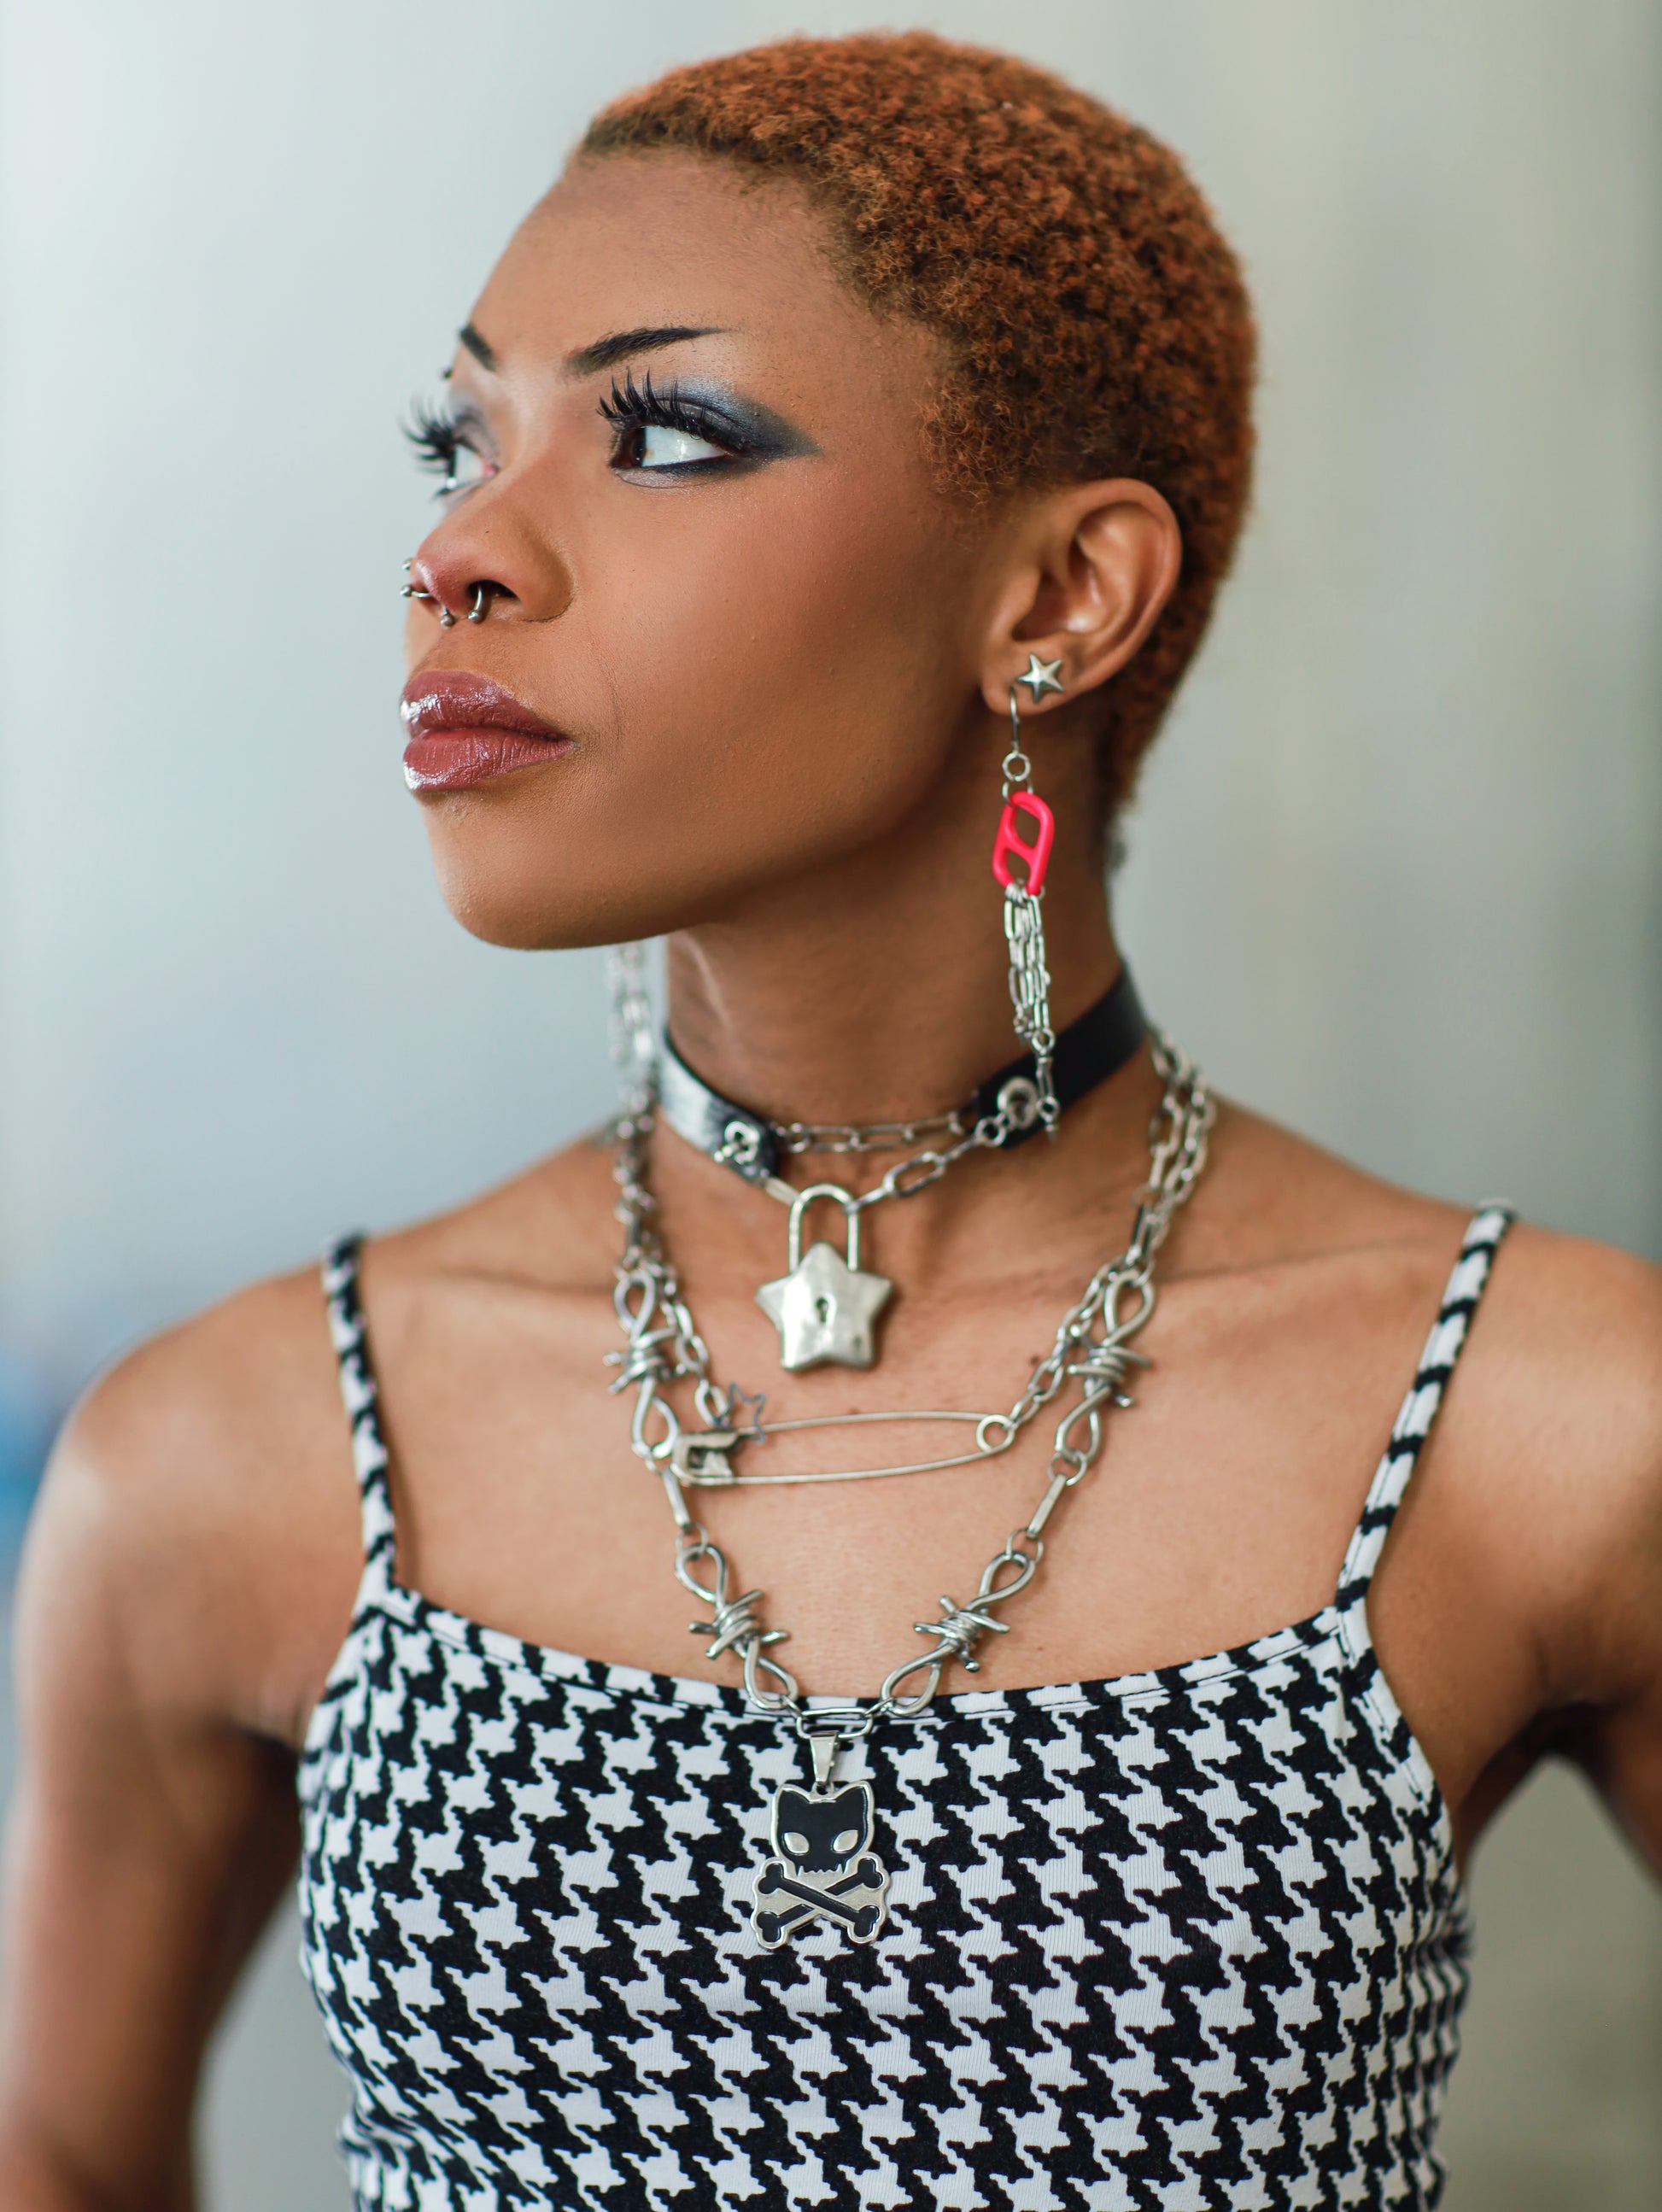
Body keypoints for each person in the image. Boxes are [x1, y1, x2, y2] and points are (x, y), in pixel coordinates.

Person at [1, 28, 1658, 2212]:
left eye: (664, 432)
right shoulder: (227, 1455)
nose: (460, 553)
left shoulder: (1550, 1423)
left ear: (1059, 598)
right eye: (456, 437)